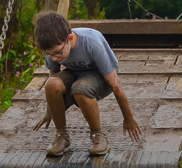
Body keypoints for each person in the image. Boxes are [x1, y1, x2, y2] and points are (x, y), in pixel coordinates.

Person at [33, 11, 142, 157]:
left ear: (69, 38)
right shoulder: (54, 48)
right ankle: (62, 137)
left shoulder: (92, 43)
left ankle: (98, 136)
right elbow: (53, 78)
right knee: (51, 83)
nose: (53, 57)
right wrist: (49, 112)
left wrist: (128, 117)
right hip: (75, 72)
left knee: (80, 88)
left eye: (57, 53)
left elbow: (115, 85)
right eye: (49, 54)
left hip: (102, 77)